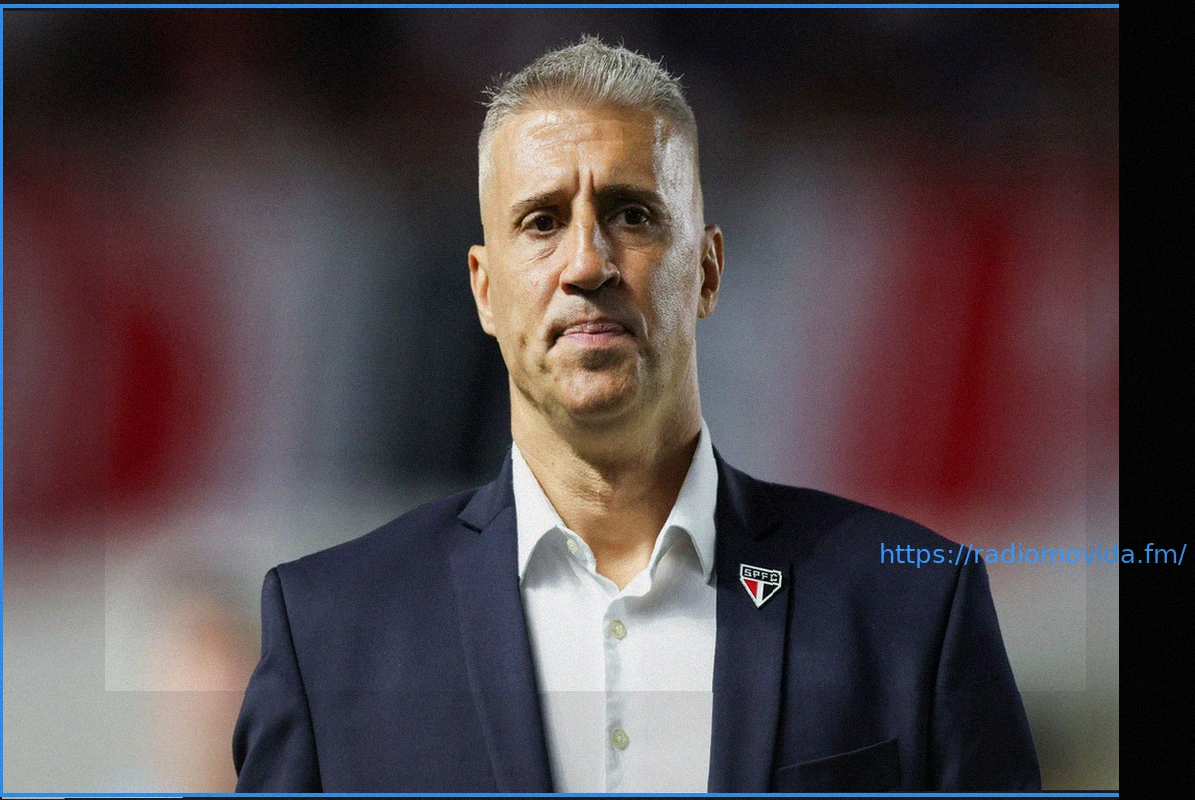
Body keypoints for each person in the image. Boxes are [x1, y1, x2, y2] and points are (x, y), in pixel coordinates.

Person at [232, 37, 1041, 793]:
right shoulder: (328, 632)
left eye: (633, 214)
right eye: (543, 221)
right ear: (484, 288)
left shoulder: (914, 612)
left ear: (709, 271)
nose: (587, 263)